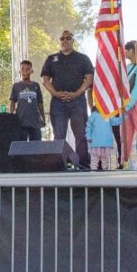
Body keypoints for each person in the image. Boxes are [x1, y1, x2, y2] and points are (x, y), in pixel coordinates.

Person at [40, 32, 93, 169]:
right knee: (59, 135)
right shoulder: (51, 59)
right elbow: (45, 80)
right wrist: (56, 94)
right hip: (58, 103)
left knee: (80, 135)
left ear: (73, 41)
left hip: (78, 101)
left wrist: (76, 93)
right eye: (62, 38)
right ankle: (59, 165)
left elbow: (89, 79)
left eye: (68, 38)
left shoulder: (83, 58)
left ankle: (83, 164)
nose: (65, 40)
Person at [9, 60, 45, 140]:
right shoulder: (16, 86)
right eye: (23, 69)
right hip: (21, 121)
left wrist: (43, 118)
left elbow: (40, 103)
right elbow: (12, 103)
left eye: (27, 69)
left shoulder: (36, 85)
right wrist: (11, 118)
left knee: (36, 146)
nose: (25, 71)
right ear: (20, 71)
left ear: (31, 71)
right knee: (22, 147)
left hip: (35, 121)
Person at [86, 98, 118, 172]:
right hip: (96, 143)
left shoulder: (108, 115)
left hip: (105, 143)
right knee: (94, 160)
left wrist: (123, 117)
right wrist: (88, 136)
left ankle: (104, 172)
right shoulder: (93, 116)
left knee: (105, 160)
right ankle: (93, 172)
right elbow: (89, 126)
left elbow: (115, 121)